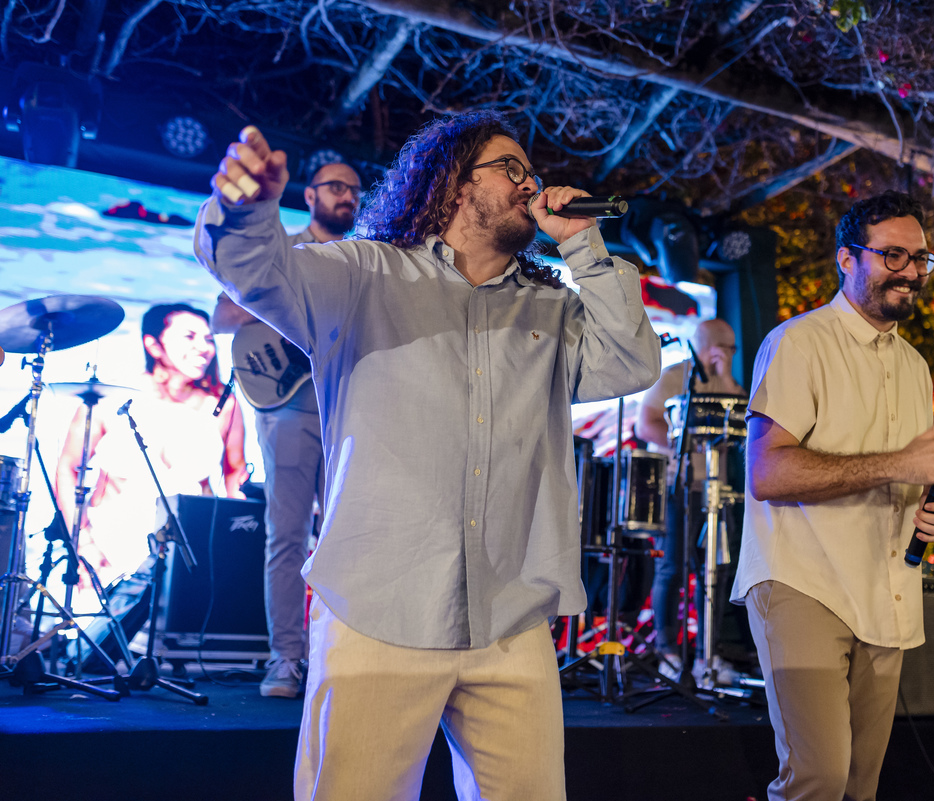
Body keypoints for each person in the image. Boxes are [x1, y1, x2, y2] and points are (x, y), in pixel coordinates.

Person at [194, 112, 660, 800]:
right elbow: (254, 271)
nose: (531, 184)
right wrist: (247, 207)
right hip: (379, 608)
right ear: (451, 185)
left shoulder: (551, 308)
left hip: (511, 615)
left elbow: (630, 360)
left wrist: (585, 246)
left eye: (532, 174)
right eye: (511, 168)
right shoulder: (363, 276)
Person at [731, 190, 934, 801]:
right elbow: (769, 474)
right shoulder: (798, 343)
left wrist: (928, 508)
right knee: (818, 777)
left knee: (861, 786)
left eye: (921, 259)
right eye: (894, 256)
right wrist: (901, 464)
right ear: (846, 259)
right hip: (804, 579)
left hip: (885, 586)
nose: (912, 272)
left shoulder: (915, 365)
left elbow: (904, 476)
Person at [211, 161, 362, 699]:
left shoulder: (365, 259)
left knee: (350, 539)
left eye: (354, 189)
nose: (347, 196)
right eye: (336, 187)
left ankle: (340, 655)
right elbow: (224, 316)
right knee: (287, 537)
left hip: (350, 409)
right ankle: (286, 660)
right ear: (311, 194)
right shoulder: (286, 252)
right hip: (289, 404)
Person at [54, 304, 247, 589]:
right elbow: (68, 468)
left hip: (186, 555)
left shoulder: (222, 404)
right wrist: (84, 545)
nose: (203, 348)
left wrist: (231, 549)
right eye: (189, 336)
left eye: (208, 339)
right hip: (108, 554)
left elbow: (235, 477)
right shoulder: (113, 396)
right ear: (153, 345)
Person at [635, 318, 746, 685]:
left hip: (715, 488)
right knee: (672, 568)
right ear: (710, 345)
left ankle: (707, 656)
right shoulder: (675, 375)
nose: (731, 353)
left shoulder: (727, 383)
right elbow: (645, 424)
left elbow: (743, 420)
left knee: (715, 572)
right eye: (728, 347)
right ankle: (667, 652)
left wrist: (726, 375)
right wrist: (688, 444)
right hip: (677, 486)